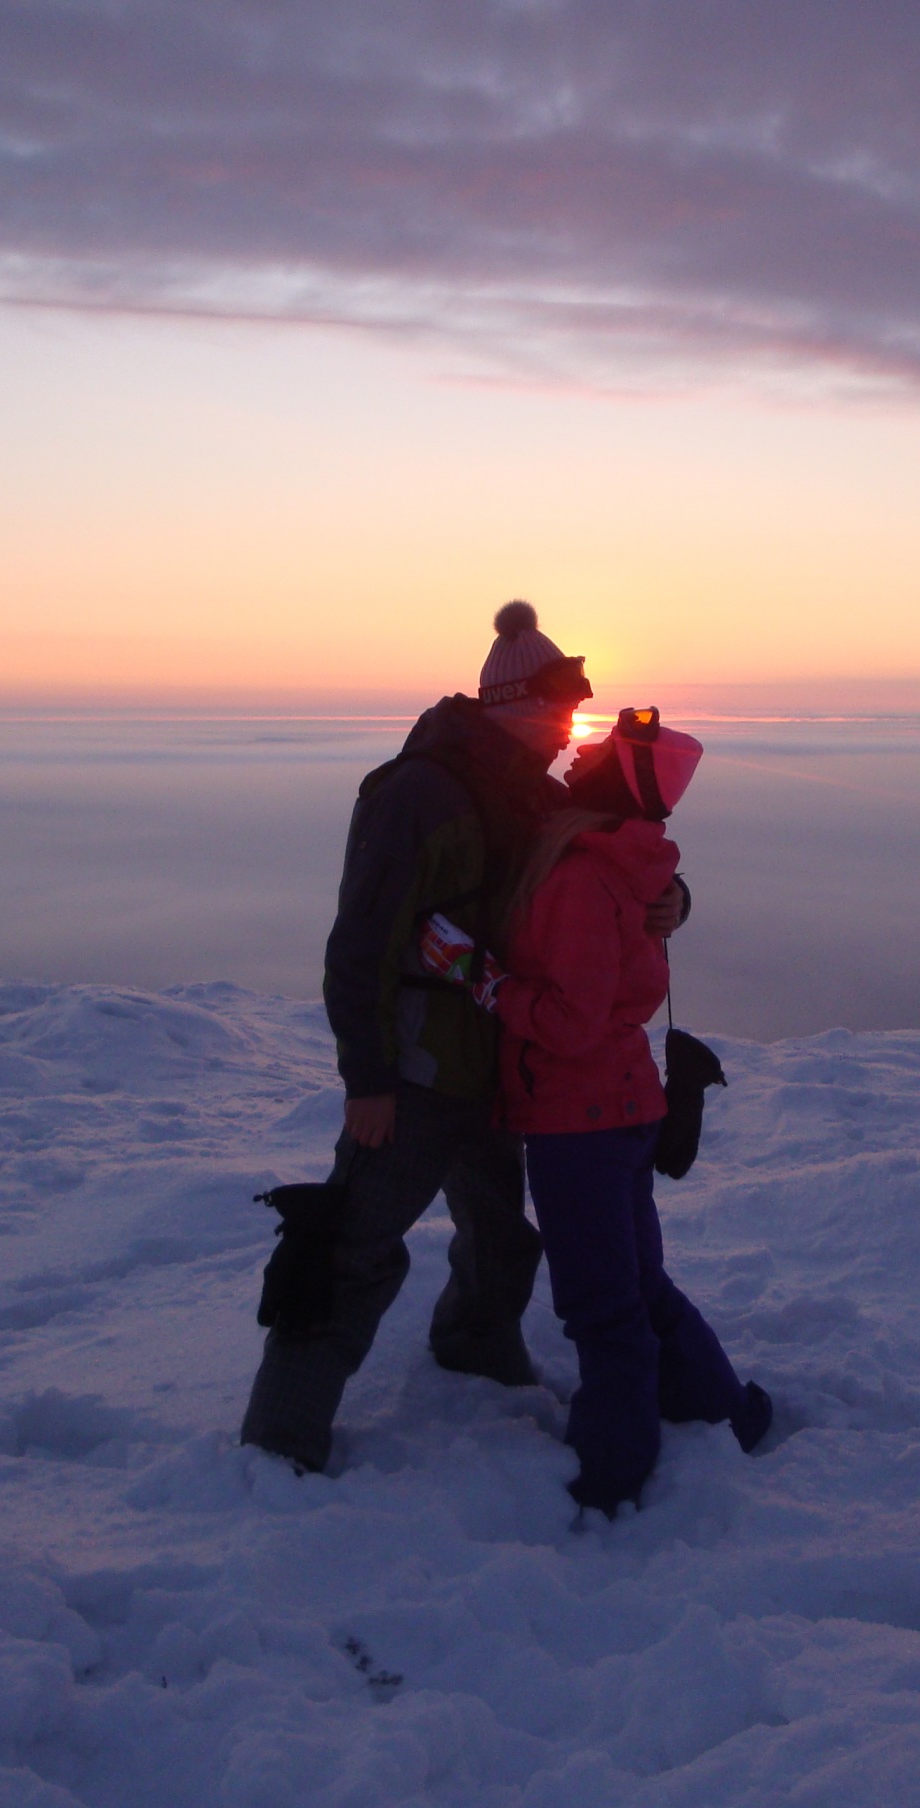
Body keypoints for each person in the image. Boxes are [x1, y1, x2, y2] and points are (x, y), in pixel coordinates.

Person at [241, 603, 682, 1474]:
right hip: (418, 1074)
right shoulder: (417, 794)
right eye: (560, 711)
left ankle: (476, 1353)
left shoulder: (533, 793)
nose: (570, 729)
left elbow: (609, 868)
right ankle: (279, 1445)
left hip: (503, 1066)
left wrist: (671, 901)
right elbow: (361, 942)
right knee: (352, 1248)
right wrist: (368, 1079)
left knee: (500, 1238)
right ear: (515, 705)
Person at [425, 707, 769, 1513]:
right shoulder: (626, 853)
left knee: (601, 1306)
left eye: (600, 756)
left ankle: (611, 1475)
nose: (578, 758)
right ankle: (724, 1410)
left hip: (578, 1121)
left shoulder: (581, 875)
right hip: (619, 1106)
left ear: (616, 783)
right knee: (639, 1284)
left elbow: (571, 1022)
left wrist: (476, 975)